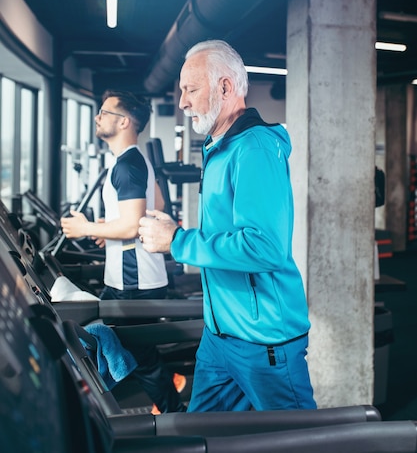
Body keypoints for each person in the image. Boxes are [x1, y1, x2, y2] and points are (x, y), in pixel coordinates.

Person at [138, 40, 316, 413]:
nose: (183, 102)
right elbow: (225, 234)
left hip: (264, 340)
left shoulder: (255, 149)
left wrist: (178, 241)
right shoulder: (219, 148)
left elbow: (263, 246)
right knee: (200, 436)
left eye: (191, 89)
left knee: (301, 441)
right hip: (220, 337)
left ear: (224, 87)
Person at [61, 89, 186, 413]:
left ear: (124, 121)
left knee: (138, 356)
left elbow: (132, 226)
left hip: (134, 281)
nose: (97, 117)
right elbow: (153, 206)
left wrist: (87, 228)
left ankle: (174, 415)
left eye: (104, 112)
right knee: (123, 346)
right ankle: (170, 396)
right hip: (131, 278)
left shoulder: (127, 166)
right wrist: (109, 228)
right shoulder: (131, 160)